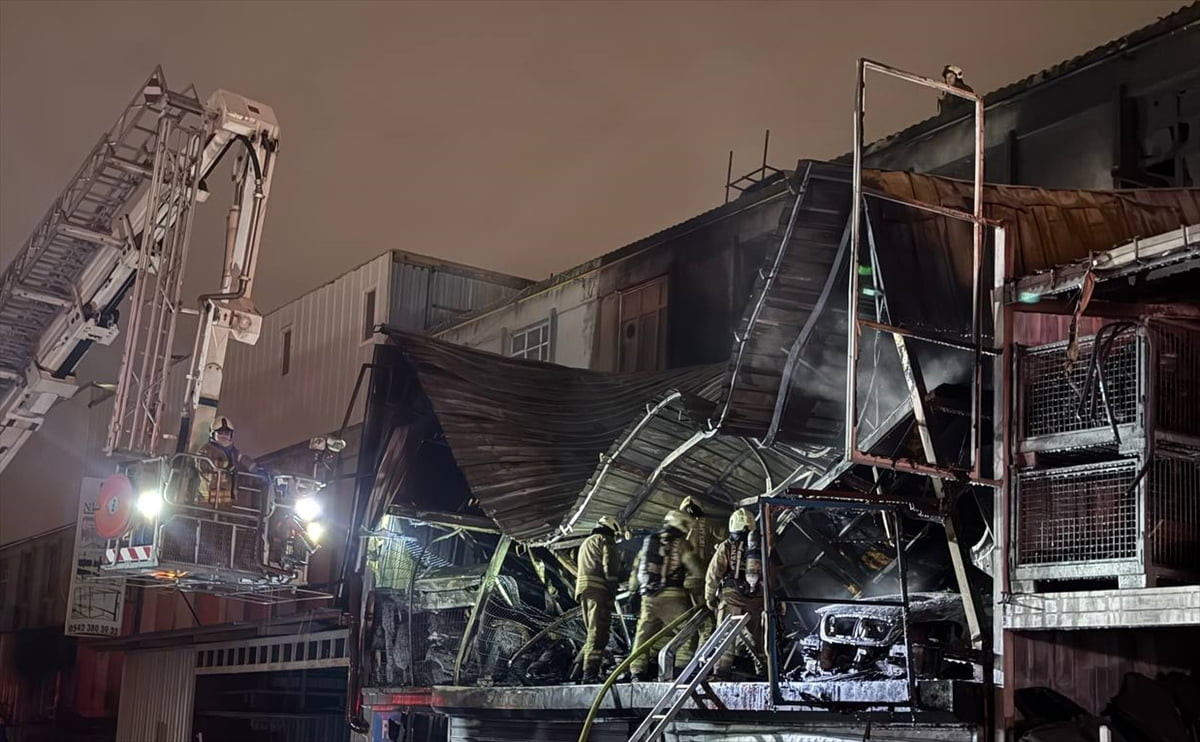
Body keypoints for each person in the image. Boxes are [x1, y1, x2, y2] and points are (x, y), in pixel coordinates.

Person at [628, 510, 704, 681]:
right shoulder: (681, 543)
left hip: (648, 598)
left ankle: (637, 672)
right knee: (687, 632)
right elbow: (696, 570)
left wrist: (634, 591)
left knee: (643, 635)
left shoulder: (649, 542)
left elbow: (635, 573)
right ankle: (680, 671)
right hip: (673, 597)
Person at [704, 507, 765, 678]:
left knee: (725, 636)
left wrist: (710, 597)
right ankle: (763, 671)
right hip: (756, 598)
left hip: (731, 598)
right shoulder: (761, 548)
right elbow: (773, 574)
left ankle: (721, 673)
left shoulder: (726, 546)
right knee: (757, 637)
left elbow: (713, 574)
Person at [574, 514, 624, 684]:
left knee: (592, 632)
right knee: (599, 633)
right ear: (613, 530)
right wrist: (612, 590)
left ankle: (579, 670)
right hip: (599, 591)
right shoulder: (606, 540)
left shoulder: (586, 542)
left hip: (585, 590)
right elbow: (609, 566)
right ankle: (590, 674)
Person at [678, 497, 727, 644]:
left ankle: (683, 662)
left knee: (687, 623)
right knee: (707, 624)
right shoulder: (711, 525)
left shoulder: (679, 531)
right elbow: (727, 542)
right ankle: (701, 664)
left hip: (680, 585)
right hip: (700, 582)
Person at [196, 416, 260, 508]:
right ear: (213, 434)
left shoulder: (234, 452)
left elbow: (245, 461)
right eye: (220, 432)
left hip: (226, 502)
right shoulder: (206, 450)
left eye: (227, 433)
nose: (224, 436)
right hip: (207, 501)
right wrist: (226, 467)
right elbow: (202, 464)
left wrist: (258, 470)